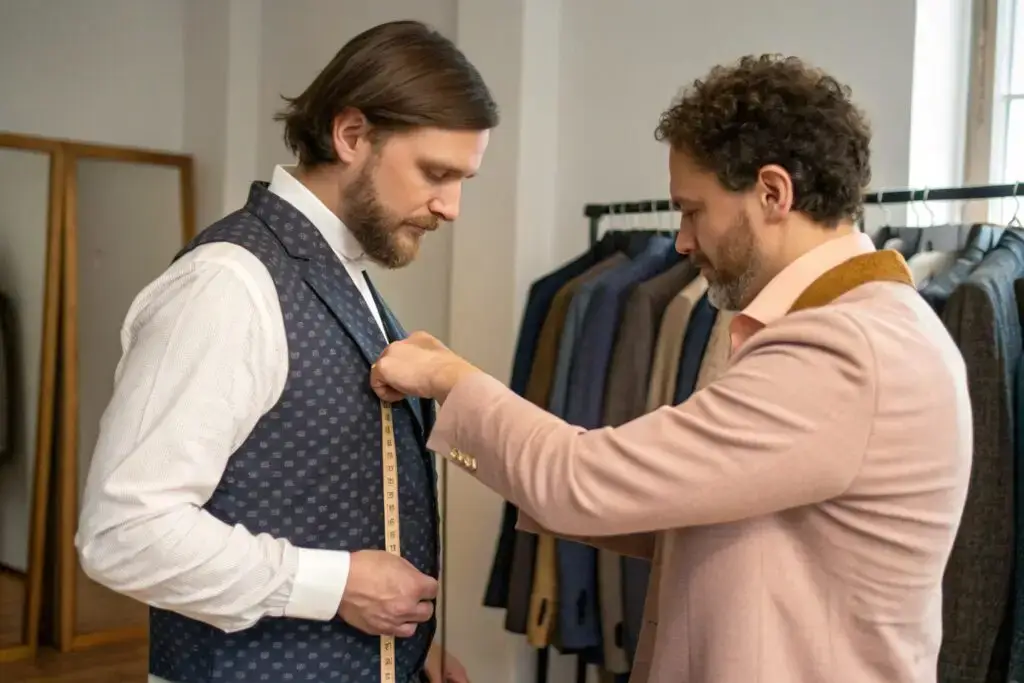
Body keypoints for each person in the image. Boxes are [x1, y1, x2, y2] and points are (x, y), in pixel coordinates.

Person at [369, 55, 972, 683]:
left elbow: (586, 479)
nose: (682, 242)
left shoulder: (845, 349)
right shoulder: (859, 327)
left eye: (693, 210)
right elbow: (685, 514)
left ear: (773, 192)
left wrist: (449, 378)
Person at [75, 20, 496, 683]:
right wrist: (337, 583)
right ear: (351, 135)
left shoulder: (347, 278)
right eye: (436, 173)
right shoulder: (227, 285)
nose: (452, 207)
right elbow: (124, 533)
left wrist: (403, 655)